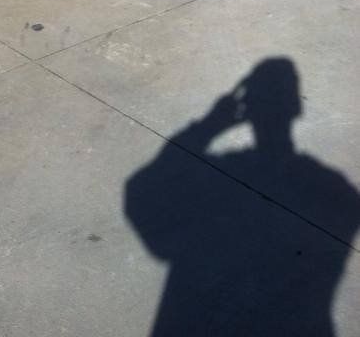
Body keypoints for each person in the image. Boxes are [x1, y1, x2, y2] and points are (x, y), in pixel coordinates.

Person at [125, 58, 360, 336]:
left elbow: (141, 193)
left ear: (246, 108)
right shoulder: (338, 191)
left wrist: (210, 125)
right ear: (297, 107)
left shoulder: (220, 177)